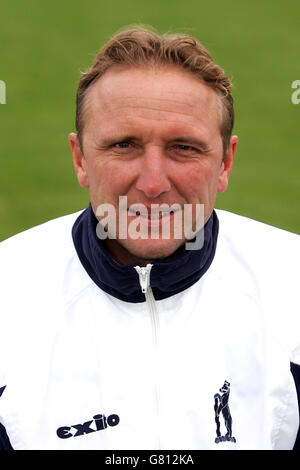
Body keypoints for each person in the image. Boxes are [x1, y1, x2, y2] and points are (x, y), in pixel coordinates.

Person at [0, 26, 299, 451]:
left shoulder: (293, 288)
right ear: (80, 158)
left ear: (226, 162)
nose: (154, 183)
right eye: (124, 145)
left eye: (184, 147)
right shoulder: (6, 298)